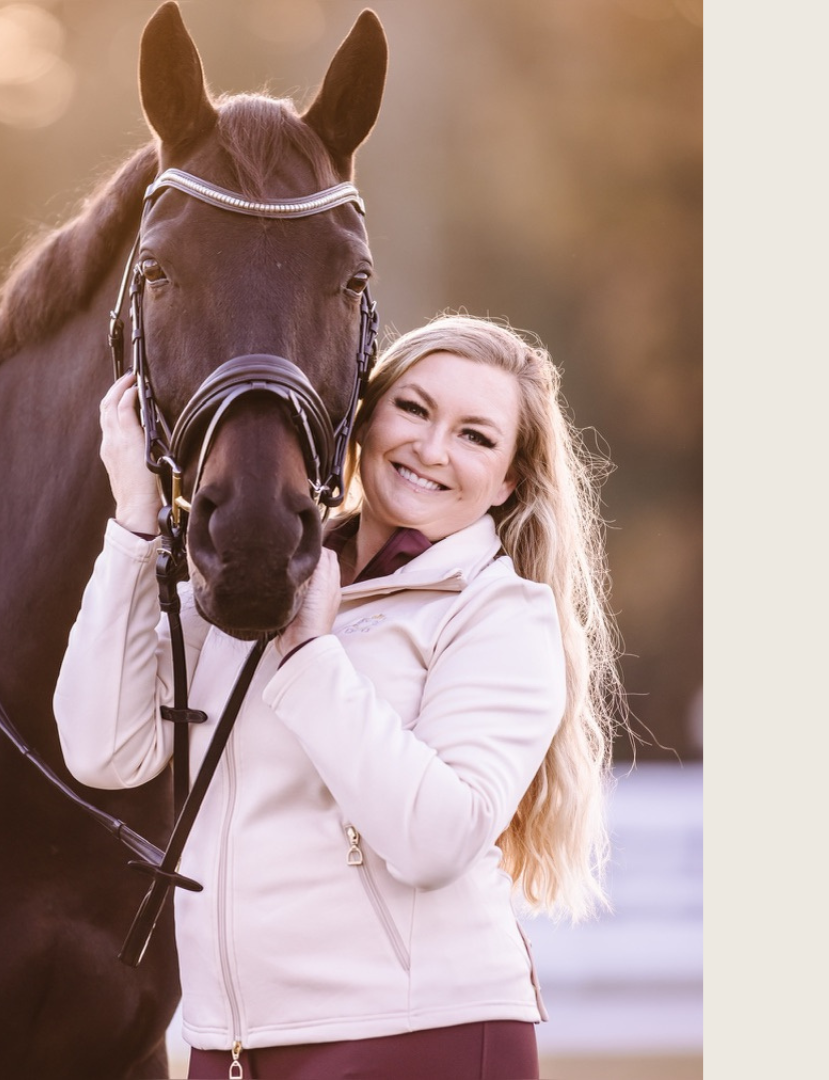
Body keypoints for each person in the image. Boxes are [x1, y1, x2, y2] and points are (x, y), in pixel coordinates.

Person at [54, 313, 625, 1080]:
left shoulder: (497, 612)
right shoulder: (259, 582)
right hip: (231, 1046)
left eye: (475, 436)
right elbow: (103, 749)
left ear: (510, 479)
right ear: (362, 417)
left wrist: (315, 655)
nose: (430, 449)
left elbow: (435, 839)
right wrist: (132, 525)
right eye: (414, 409)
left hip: (420, 1039)